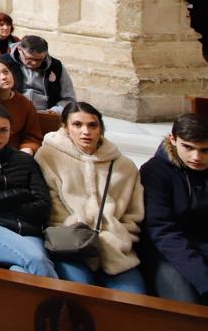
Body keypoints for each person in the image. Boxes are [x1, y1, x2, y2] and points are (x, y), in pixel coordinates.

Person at [36, 101, 145, 292]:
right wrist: (76, 224)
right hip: (70, 245)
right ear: (65, 128)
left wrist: (117, 236)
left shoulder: (124, 166)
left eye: (92, 125)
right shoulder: (48, 156)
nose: (85, 131)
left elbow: (133, 214)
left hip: (114, 249)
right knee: (81, 295)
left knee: (134, 299)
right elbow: (50, 206)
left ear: (101, 129)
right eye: (77, 125)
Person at [0, 102, 56, 277]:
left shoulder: (25, 160)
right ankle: (61, 303)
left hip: (29, 231)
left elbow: (43, 207)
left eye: (3, 130)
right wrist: (21, 194)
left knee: (21, 272)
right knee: (36, 260)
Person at [140, 113, 208, 305]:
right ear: (173, 139)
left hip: (202, 243)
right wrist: (203, 277)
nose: (197, 157)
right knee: (186, 305)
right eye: (188, 147)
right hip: (166, 250)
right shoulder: (155, 171)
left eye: (205, 150)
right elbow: (162, 230)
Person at [0, 35, 76, 112]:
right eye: (30, 58)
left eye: (39, 60)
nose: (34, 63)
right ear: (19, 49)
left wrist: (55, 110)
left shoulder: (56, 67)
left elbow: (69, 99)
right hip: (11, 112)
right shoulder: (3, 63)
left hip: (46, 114)